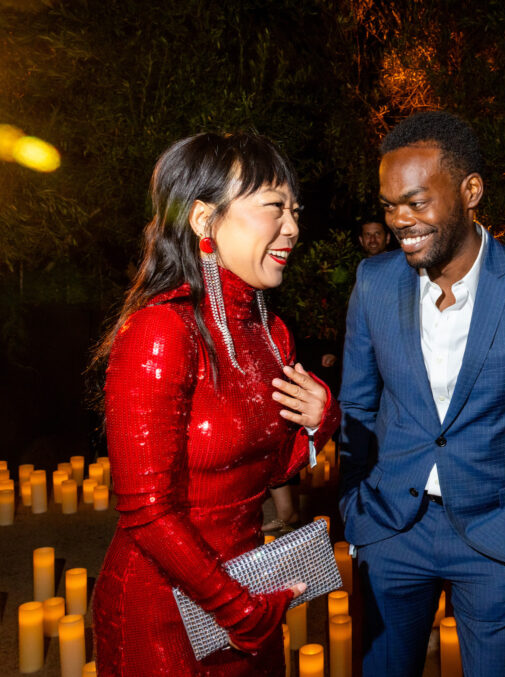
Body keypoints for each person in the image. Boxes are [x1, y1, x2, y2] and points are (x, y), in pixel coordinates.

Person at [339, 110, 505, 675]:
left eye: (417, 202)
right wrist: (353, 505)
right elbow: (357, 405)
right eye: (390, 206)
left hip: (497, 536)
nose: (400, 221)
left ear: (470, 191)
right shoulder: (373, 282)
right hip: (389, 534)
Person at [91, 132, 340, 675]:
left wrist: (322, 421)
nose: (293, 228)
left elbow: (271, 470)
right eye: (275, 207)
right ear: (204, 220)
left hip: (250, 590)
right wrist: (239, 610)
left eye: (295, 210)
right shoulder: (160, 331)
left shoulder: (271, 332)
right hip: (164, 611)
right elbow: (146, 511)